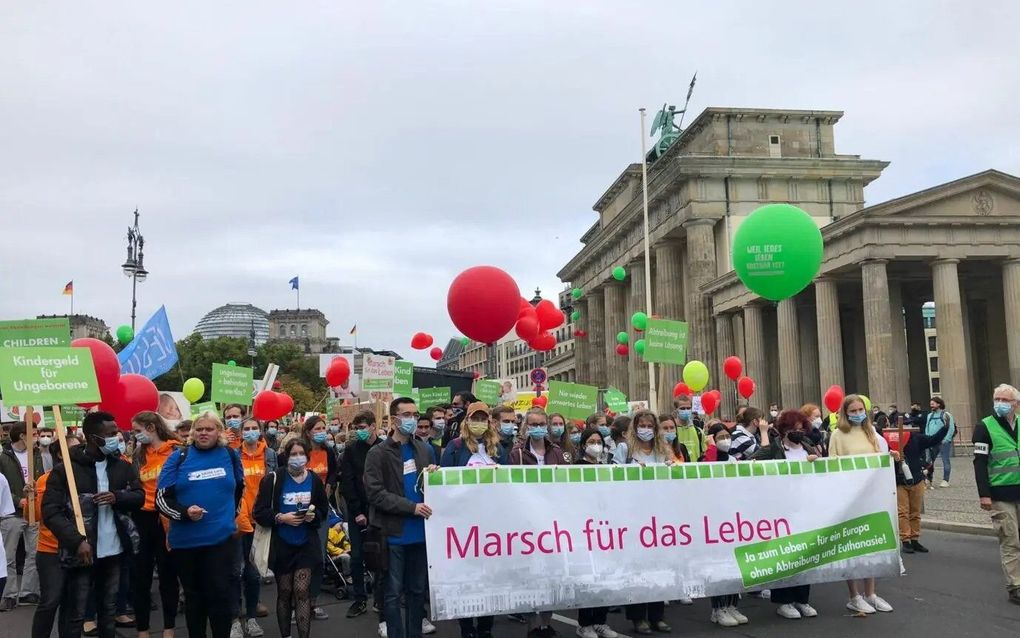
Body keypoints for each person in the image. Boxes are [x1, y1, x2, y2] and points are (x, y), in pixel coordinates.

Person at [42, 411, 144, 638]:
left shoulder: (122, 466)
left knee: (108, 611)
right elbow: (50, 512)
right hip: (82, 553)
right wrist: (76, 541)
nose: (116, 437)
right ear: (92, 438)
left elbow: (139, 496)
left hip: (115, 551)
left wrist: (117, 497)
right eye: (110, 434)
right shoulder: (65, 470)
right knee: (75, 614)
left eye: (116, 432)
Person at [156, 411, 245, 638]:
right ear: (193, 433)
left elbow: (238, 488)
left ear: (219, 432)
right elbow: (161, 499)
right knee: (195, 598)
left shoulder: (230, 454)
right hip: (186, 543)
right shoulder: (179, 457)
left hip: (220, 540)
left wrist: (227, 517)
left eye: (209, 429)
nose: (204, 433)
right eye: (199, 429)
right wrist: (185, 512)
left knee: (220, 596)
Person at [364, 397, 436, 638]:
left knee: (417, 592)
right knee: (393, 593)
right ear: (394, 419)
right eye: (407, 415)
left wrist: (436, 478)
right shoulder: (378, 453)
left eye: (415, 415)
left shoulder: (425, 449)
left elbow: (429, 487)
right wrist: (410, 507)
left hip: (420, 533)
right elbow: (375, 493)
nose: (413, 420)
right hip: (394, 534)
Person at [440, 403, 507, 638]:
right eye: (474, 418)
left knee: (490, 579)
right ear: (467, 421)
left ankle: (486, 627)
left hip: (492, 525)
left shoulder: (497, 448)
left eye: (483, 418)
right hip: (464, 526)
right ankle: (467, 628)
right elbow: (444, 480)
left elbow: (510, 481)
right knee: (466, 579)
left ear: (489, 422)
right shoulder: (455, 447)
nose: (479, 422)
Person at [252, 439, 329, 638]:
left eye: (301, 454)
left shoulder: (314, 480)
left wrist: (314, 517)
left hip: (305, 543)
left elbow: (323, 509)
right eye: (293, 454)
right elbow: (259, 512)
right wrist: (280, 518)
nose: (297, 458)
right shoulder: (273, 479)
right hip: (282, 544)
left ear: (307, 456)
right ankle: (286, 634)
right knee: (285, 592)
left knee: (302, 591)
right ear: (286, 457)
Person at [752, 409, 820, 620]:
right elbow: (753, 462)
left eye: (800, 429)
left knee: (804, 553)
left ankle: (802, 599)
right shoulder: (774, 449)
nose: (797, 432)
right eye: (792, 429)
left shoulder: (808, 447)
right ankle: (783, 600)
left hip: (805, 506)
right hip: (781, 509)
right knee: (784, 553)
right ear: (783, 430)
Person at [829, 395, 894, 614]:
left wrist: (889, 456)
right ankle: (854, 595)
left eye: (860, 410)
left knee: (871, 544)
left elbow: (877, 458)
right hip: (849, 497)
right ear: (845, 412)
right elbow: (832, 463)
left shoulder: (870, 431)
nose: (858, 413)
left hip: (871, 495)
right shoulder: (838, 435)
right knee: (851, 547)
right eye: (853, 410)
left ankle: (871, 593)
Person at [613, 411, 671, 634]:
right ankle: (638, 617)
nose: (645, 429)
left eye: (649, 425)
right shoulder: (625, 448)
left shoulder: (661, 449)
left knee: (659, 566)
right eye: (642, 425)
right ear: (634, 427)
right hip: (634, 515)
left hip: (658, 514)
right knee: (638, 568)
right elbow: (615, 476)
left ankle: (657, 615)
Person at [509, 408, 566, 636]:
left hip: (553, 521)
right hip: (529, 522)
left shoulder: (557, 452)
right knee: (532, 576)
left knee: (552, 575)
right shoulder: (517, 454)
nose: (537, 428)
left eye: (541, 423)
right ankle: (534, 624)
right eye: (533, 424)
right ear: (526, 427)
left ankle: (546, 622)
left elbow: (566, 482)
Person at [130, 411, 183, 638]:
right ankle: (143, 629)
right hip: (143, 519)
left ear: (151, 428)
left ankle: (169, 626)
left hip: (168, 518)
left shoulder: (176, 451)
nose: (135, 435)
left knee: (168, 575)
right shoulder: (137, 456)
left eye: (137, 431)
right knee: (140, 576)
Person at [973, 383, 1020, 604]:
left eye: (1005, 400)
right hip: (1000, 493)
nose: (1000, 403)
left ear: (1016, 404)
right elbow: (980, 463)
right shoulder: (985, 427)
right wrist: (984, 494)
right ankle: (1016, 586)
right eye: (997, 399)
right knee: (1010, 540)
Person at [30, 433, 80, 638]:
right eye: (76, 448)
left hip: (78, 548)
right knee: (50, 601)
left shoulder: (86, 475)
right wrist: (30, 500)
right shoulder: (44, 480)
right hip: (50, 550)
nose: (82, 450)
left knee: (72, 604)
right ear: (61, 454)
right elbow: (38, 516)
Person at [232, 418, 278, 638]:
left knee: (253, 573)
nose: (250, 432)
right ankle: (233, 620)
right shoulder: (232, 455)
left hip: (260, 521)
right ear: (240, 433)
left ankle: (250, 618)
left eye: (254, 428)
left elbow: (275, 486)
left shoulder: (269, 456)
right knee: (234, 571)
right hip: (238, 521)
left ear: (260, 431)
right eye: (246, 429)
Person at [573, 428, 619, 638]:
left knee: (605, 577)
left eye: (599, 441)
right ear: (583, 445)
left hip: (605, 528)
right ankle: (585, 624)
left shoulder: (605, 467)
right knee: (587, 578)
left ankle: (601, 621)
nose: (596, 445)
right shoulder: (575, 468)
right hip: (584, 528)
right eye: (591, 441)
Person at [340, 410, 382, 620]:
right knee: (357, 556)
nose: (359, 432)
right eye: (357, 429)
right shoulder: (351, 450)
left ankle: (381, 598)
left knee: (382, 556)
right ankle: (360, 599)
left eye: (363, 427)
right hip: (359, 511)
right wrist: (356, 511)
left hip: (382, 511)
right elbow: (347, 483)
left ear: (373, 426)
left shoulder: (385, 447)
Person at [0, 420, 44, 609]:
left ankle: (28, 592)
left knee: (33, 554)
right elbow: (1, 486)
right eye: (34, 434)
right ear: (22, 435)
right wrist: (18, 500)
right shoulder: (3, 457)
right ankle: (8, 594)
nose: (38, 438)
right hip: (12, 513)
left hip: (34, 512)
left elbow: (41, 478)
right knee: (8, 556)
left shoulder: (36, 454)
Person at [301, 415, 338, 621]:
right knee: (300, 559)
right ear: (308, 432)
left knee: (318, 557)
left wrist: (330, 484)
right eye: (317, 428)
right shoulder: (300, 452)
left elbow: (333, 472)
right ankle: (298, 603)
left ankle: (313, 603)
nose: (322, 431)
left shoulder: (328, 451)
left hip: (322, 511)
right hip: (301, 511)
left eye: (324, 427)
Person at [894, 417, 948, 555]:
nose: (906, 427)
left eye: (908, 425)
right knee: (903, 512)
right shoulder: (892, 439)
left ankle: (914, 539)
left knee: (915, 511)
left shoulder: (916, 438)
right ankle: (905, 540)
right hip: (899, 481)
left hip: (916, 479)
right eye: (904, 425)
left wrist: (945, 428)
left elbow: (932, 439)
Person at [924, 397, 957, 487]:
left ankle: (945, 480)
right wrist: (927, 438)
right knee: (929, 461)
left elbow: (951, 428)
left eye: (933, 403)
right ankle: (929, 480)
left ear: (939, 404)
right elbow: (927, 427)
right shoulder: (929, 416)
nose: (931, 405)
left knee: (945, 460)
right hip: (931, 441)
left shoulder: (946, 415)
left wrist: (946, 439)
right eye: (931, 404)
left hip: (943, 442)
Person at [671, 395, 706, 461]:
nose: (686, 410)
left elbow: (704, 453)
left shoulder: (698, 431)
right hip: (678, 469)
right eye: (682, 408)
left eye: (688, 408)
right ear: (676, 410)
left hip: (695, 469)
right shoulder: (671, 431)